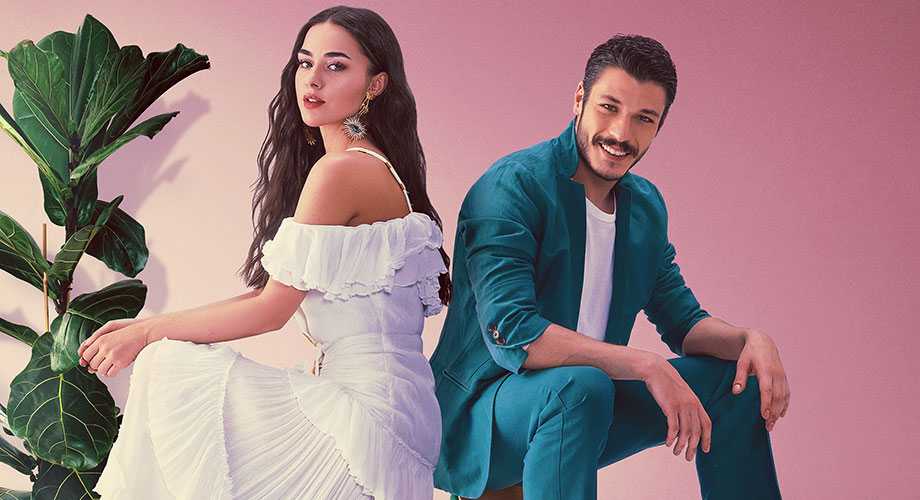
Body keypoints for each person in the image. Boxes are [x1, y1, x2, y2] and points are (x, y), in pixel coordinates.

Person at [78, 6, 452, 499]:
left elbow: (271, 310)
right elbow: (266, 294)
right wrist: (148, 326)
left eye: (336, 66)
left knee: (167, 366)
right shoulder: (367, 166)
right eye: (305, 62)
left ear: (375, 85)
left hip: (368, 413)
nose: (313, 79)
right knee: (167, 360)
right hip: (394, 407)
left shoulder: (343, 171)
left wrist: (148, 333)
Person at [429, 34, 788, 500]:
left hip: (584, 407)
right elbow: (513, 334)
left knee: (734, 382)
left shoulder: (645, 207)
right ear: (579, 98)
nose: (621, 133)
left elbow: (683, 322)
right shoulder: (512, 187)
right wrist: (645, 365)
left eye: (643, 118)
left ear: (660, 125)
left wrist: (750, 341)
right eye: (608, 107)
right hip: (482, 421)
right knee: (582, 386)